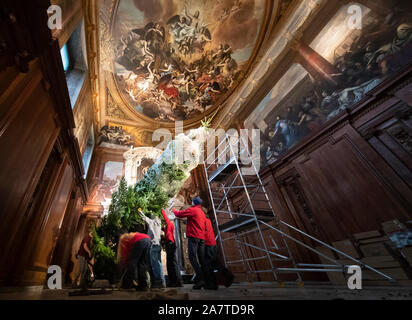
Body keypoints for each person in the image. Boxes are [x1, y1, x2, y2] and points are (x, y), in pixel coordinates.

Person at [172, 196, 208, 289]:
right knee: (202, 259)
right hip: (202, 238)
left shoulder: (193, 210)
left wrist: (174, 210)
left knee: (192, 258)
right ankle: (207, 280)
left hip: (194, 236)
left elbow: (180, 214)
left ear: (194, 203)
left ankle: (201, 280)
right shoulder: (202, 212)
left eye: (192, 201)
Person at [204, 216, 234, 289]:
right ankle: (228, 276)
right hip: (213, 244)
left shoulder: (203, 221)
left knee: (209, 264)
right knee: (216, 264)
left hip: (208, 244)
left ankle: (212, 284)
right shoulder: (208, 220)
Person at [138, 209, 166, 288]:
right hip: (158, 245)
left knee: (155, 265)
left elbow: (143, 217)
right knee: (159, 264)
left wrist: (139, 210)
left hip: (153, 245)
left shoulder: (151, 222)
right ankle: (163, 281)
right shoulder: (159, 223)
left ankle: (158, 282)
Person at [161, 209, 183, 287]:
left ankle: (175, 281)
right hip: (170, 244)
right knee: (172, 263)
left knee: (171, 264)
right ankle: (176, 281)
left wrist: (162, 210)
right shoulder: (168, 227)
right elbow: (166, 232)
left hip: (170, 244)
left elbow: (165, 218)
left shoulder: (170, 224)